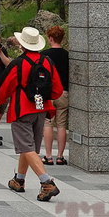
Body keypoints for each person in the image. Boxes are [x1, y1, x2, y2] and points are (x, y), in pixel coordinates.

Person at [0, 26, 64, 202]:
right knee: (29, 147)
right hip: (41, 108)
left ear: (22, 45)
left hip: (22, 109)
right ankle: (19, 180)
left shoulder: (18, 63)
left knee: (26, 147)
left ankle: (47, 183)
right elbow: (57, 89)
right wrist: (46, 98)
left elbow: (5, 87)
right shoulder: (47, 61)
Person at [41, 25, 70, 165]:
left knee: (48, 123)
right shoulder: (67, 55)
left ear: (50, 38)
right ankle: (60, 156)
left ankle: (48, 155)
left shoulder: (44, 55)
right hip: (63, 92)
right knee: (61, 124)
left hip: (48, 94)